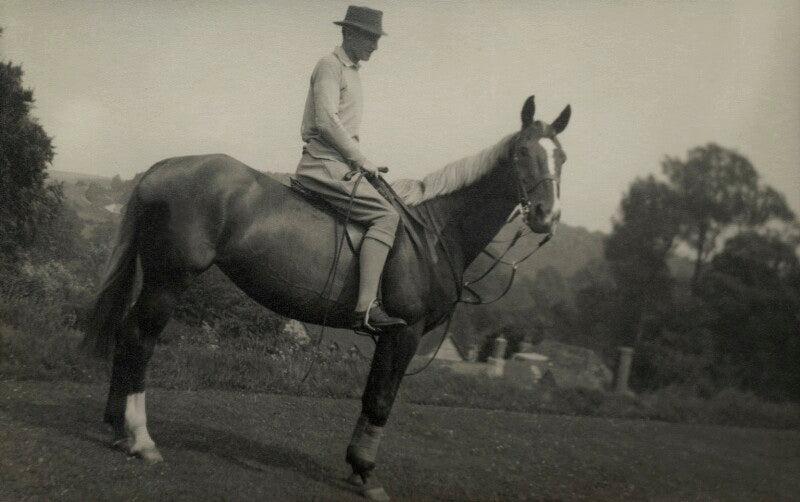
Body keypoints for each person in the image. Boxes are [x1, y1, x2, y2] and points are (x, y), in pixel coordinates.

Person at [295, 5, 406, 335]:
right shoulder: (330, 65)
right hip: (322, 164)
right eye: (370, 38)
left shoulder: (352, 72)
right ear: (350, 34)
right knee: (387, 217)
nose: (375, 45)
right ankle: (365, 309)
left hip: (340, 163)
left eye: (376, 38)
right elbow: (326, 121)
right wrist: (361, 160)